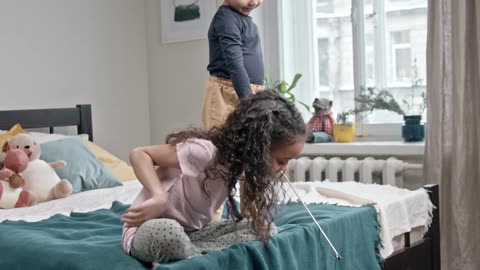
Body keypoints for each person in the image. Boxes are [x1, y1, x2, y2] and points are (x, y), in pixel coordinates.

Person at [122, 91, 306, 264]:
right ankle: (201, 260)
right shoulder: (204, 152)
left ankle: (192, 255)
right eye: (282, 161)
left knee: (265, 229)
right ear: (258, 148)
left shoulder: (241, 164)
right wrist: (158, 196)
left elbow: (247, 215)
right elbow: (140, 154)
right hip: (150, 229)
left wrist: (253, 211)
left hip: (195, 233)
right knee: (168, 233)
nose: (284, 168)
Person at [202, 0, 265, 130]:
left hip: (246, 91)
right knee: (223, 143)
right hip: (227, 95)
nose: (254, 2)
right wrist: (250, 103)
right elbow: (235, 64)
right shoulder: (226, 19)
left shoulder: (245, 20)